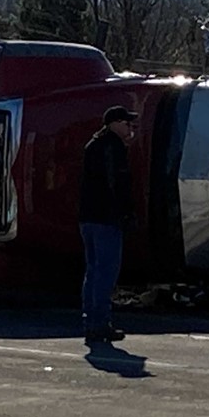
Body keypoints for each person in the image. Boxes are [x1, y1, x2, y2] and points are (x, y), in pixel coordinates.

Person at [78, 105, 135, 344]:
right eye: (126, 123)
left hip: (87, 217)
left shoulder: (93, 145)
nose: (130, 127)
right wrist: (125, 212)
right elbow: (116, 183)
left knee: (93, 270)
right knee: (106, 271)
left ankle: (90, 320)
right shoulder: (113, 147)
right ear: (114, 123)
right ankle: (100, 323)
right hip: (106, 218)